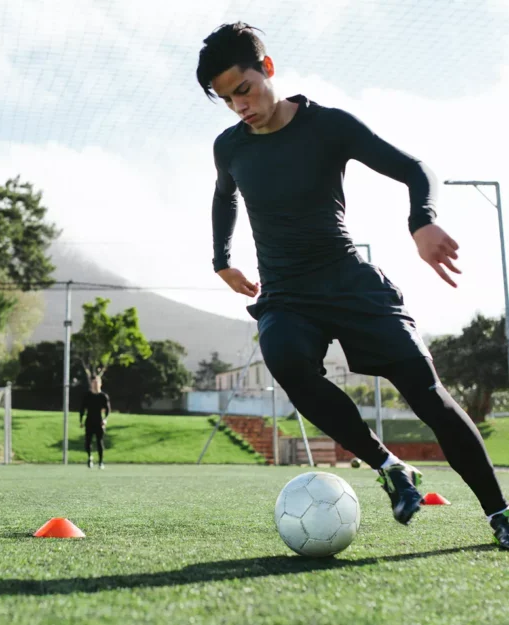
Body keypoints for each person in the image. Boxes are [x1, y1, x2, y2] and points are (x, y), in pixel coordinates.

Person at [196, 22, 509, 548]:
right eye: (226, 100)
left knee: (428, 396)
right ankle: (390, 467)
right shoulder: (229, 148)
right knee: (286, 359)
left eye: (243, 90)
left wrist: (422, 222)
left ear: (267, 68)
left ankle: (500, 512)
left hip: (348, 282)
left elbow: (416, 169)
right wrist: (221, 259)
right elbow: (224, 196)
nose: (239, 106)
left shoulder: (329, 126)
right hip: (286, 294)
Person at [79, 376, 110, 469]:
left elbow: (108, 409)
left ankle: (101, 462)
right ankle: (90, 457)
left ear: (100, 384)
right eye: (93, 383)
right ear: (91, 384)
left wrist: (105, 419)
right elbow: (82, 408)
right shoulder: (87, 395)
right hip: (89, 420)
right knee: (88, 441)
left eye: (97, 383)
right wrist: (81, 420)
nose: (95, 385)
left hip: (99, 421)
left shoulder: (103, 396)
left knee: (99, 441)